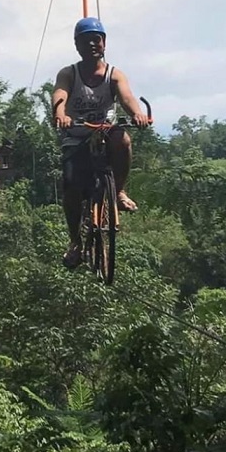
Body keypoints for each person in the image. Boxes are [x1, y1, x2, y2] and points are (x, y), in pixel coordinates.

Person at [51, 17, 152, 269]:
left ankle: (118, 190)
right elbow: (60, 93)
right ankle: (74, 241)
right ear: (77, 46)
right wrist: (60, 114)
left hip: (105, 133)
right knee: (72, 188)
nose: (92, 45)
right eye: (86, 41)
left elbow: (127, 96)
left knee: (123, 140)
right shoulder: (69, 73)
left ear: (104, 43)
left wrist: (136, 113)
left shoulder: (114, 74)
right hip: (76, 136)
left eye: (97, 39)